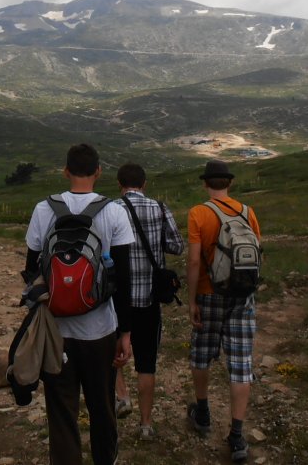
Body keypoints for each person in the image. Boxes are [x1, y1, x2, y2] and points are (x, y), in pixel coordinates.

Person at [23, 142, 135, 465]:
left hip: (56, 332)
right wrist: (125, 333)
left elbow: (31, 270)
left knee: (61, 412)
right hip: (100, 330)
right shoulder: (114, 212)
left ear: (66, 171)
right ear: (98, 172)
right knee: (102, 407)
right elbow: (124, 279)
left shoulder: (44, 209)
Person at [186, 159, 262, 462]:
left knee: (202, 353)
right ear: (229, 183)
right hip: (242, 295)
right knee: (241, 363)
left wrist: (192, 300)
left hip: (209, 294)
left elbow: (194, 261)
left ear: (206, 183)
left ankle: (203, 412)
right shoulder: (247, 212)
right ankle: (237, 434)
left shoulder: (198, 213)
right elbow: (256, 253)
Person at [113, 161, 185, 438]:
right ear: (144, 184)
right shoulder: (159, 208)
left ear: (120, 184)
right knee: (147, 363)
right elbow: (177, 246)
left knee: (113, 352)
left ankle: (122, 396)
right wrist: (156, 244)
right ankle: (145, 424)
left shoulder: (111, 209)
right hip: (149, 300)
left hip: (118, 300)